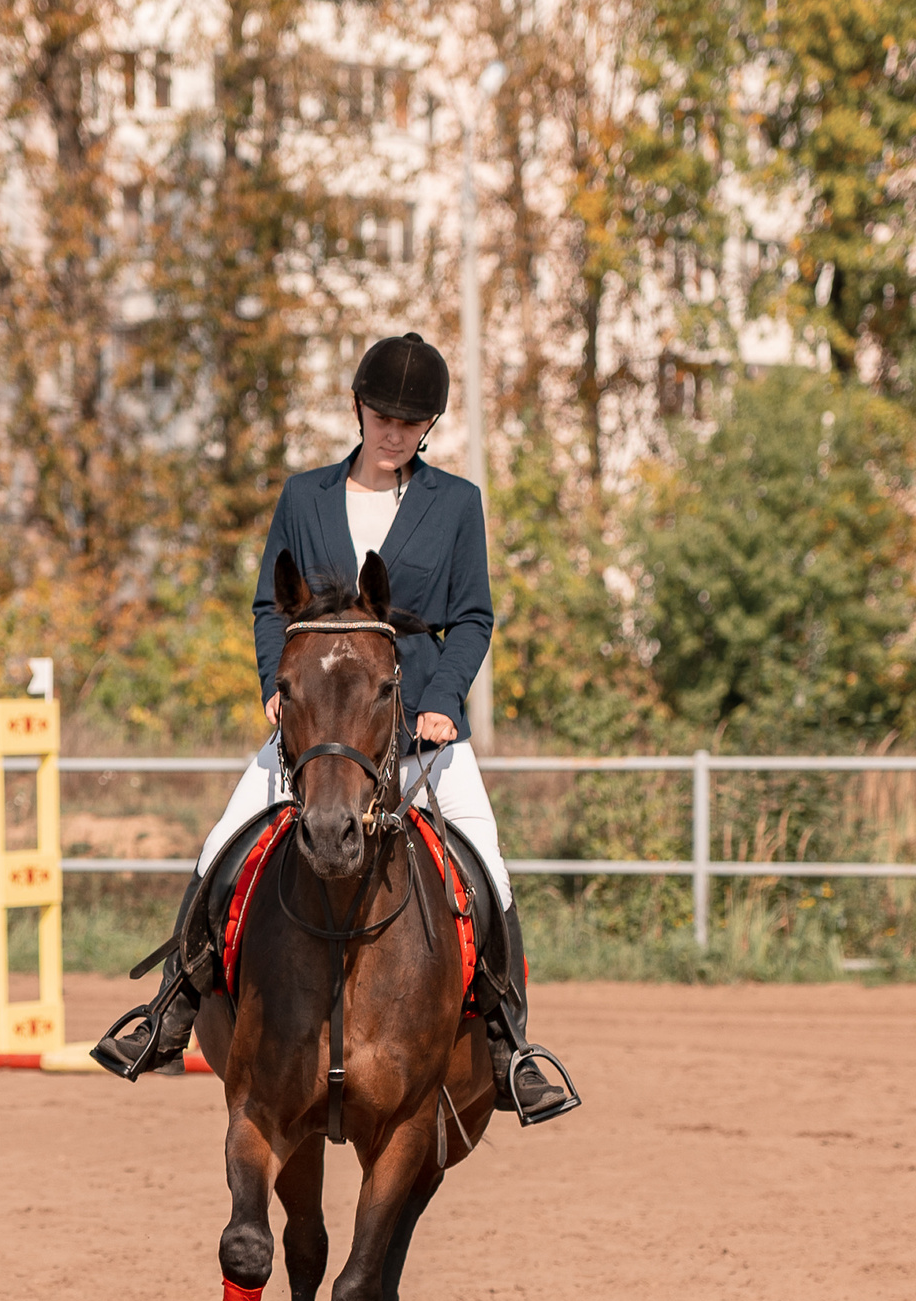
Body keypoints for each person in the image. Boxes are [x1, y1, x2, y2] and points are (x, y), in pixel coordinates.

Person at [92, 332, 575, 1121]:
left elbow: (475, 617)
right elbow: (265, 606)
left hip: (417, 731)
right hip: (317, 736)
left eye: (411, 423)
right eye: (383, 417)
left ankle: (510, 1045)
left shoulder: (457, 505)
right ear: (358, 409)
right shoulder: (305, 497)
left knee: (488, 864)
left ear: (428, 427)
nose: (394, 434)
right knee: (221, 844)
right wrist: (272, 689)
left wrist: (443, 701)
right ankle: (170, 1007)